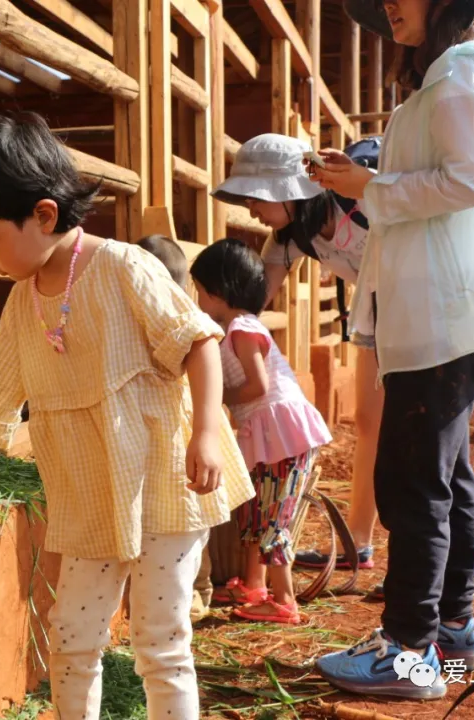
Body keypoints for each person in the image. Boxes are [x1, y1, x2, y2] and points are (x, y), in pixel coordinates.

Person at [0, 113, 254, 719]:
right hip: (89, 499)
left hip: (164, 486)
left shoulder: (126, 269)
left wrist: (208, 433)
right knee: (72, 635)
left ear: (45, 215)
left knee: (160, 642)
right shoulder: (22, 305)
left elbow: (199, 343)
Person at [308, 0, 474, 700]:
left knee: (413, 479)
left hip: (443, 308)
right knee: (448, 473)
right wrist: (363, 183)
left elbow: (469, 181)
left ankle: (409, 651)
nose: (388, 7)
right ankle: (452, 631)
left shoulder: (460, 73)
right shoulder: (451, 75)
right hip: (440, 307)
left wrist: (371, 186)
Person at [211, 133, 383, 587]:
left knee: (409, 433)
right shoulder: (289, 239)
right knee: (369, 422)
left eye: (257, 198)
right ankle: (359, 544)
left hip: (424, 310)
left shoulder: (363, 203)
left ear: (290, 192)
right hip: (377, 313)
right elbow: (251, 302)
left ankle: (415, 559)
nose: (251, 209)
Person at [189, 239, 333, 624]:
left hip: (278, 433)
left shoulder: (240, 328)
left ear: (218, 291)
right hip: (266, 434)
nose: (198, 299)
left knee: (273, 518)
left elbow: (257, 385)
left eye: (200, 291)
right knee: (257, 511)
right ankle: (255, 585)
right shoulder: (232, 327)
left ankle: (285, 601)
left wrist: (215, 394)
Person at [134, 233, 216, 626]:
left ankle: (196, 598)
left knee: (190, 533)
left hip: (182, 459)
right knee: (183, 539)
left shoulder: (182, 324)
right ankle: (189, 602)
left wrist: (204, 435)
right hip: (164, 465)